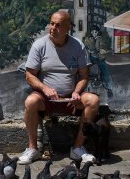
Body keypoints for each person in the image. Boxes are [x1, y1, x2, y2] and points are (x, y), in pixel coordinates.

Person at [19, 10, 99, 165]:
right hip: (46, 99)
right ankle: (33, 148)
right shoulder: (40, 45)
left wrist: (77, 91)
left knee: (93, 100)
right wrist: (45, 88)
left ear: (68, 28)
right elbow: (29, 76)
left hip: (71, 98)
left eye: (58, 25)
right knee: (30, 102)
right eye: (52, 23)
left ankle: (77, 148)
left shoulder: (77, 46)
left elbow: (84, 76)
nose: (53, 28)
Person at [83, 25, 113, 98]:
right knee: (84, 70)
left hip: (100, 58)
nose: (94, 33)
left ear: (98, 32)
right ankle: (84, 88)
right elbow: (85, 48)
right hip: (91, 58)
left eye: (95, 32)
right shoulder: (88, 39)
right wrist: (88, 51)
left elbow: (103, 47)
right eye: (92, 32)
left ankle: (109, 89)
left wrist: (101, 51)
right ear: (91, 32)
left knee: (105, 72)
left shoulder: (101, 39)